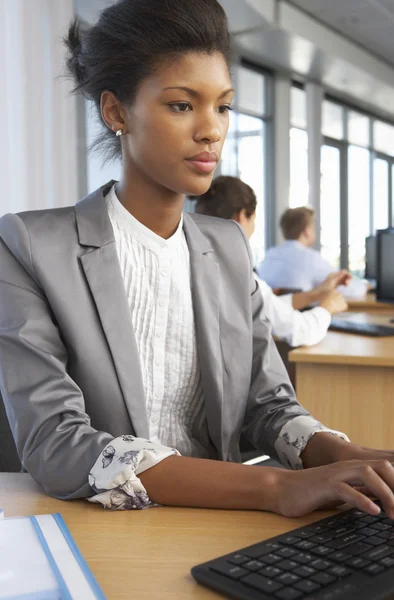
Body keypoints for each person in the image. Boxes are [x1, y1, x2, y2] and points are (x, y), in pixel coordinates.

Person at [1, 0, 394, 519]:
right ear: (116, 111)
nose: (212, 129)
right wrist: (276, 488)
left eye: (223, 106)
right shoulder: (30, 245)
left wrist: (343, 455)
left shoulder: (227, 245)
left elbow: (266, 403)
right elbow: (58, 443)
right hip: (97, 532)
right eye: (183, 105)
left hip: (216, 525)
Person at [193, 176, 348, 347]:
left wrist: (316, 294)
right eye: (253, 219)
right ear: (242, 216)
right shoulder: (236, 273)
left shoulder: (198, 261)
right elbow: (301, 331)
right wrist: (328, 307)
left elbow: (261, 307)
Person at [258, 206, 369, 298]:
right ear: (306, 231)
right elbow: (345, 288)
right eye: (313, 227)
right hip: (301, 320)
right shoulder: (309, 258)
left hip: (271, 322)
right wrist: (366, 286)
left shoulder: (269, 256)